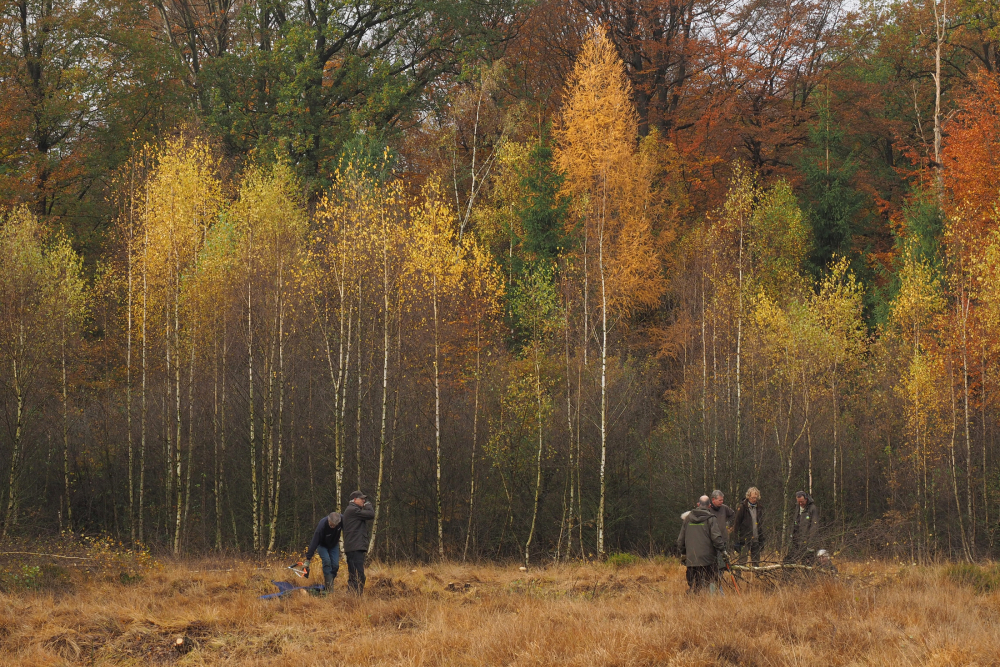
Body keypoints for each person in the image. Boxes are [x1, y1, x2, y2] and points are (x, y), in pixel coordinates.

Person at [677, 495, 728, 594]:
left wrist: (684, 553)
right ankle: (712, 598)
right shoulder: (711, 519)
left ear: (698, 504)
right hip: (708, 558)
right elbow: (716, 538)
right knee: (712, 580)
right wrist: (723, 550)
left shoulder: (687, 519)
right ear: (709, 505)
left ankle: (694, 599)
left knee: (694, 584)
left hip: (691, 558)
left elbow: (680, 540)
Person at [342, 490, 375, 595]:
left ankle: (351, 596)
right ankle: (356, 597)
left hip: (353, 546)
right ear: (355, 500)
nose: (364, 501)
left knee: (353, 574)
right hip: (355, 547)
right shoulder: (353, 510)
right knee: (359, 574)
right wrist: (368, 505)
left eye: (364, 499)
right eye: (362, 499)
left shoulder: (351, 510)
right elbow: (371, 514)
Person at [304, 511, 342, 591]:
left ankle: (330, 580)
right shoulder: (322, 525)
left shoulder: (341, 520)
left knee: (335, 565)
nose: (332, 527)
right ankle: (329, 588)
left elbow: (351, 523)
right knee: (327, 561)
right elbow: (314, 542)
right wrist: (308, 559)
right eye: (331, 524)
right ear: (328, 520)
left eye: (334, 525)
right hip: (322, 545)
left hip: (334, 545)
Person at [732, 487, 763, 565]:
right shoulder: (742, 507)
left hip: (756, 538)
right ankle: (739, 576)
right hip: (744, 539)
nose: (754, 499)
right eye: (752, 497)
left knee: (756, 561)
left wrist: (762, 540)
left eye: (756, 498)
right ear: (748, 496)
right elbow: (736, 524)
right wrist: (736, 540)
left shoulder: (759, 508)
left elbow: (761, 525)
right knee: (742, 560)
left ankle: (756, 576)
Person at [789, 491, 819, 563]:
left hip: (807, 542)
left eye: (802, 502)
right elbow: (794, 524)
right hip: (797, 542)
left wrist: (810, 544)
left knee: (807, 563)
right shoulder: (797, 508)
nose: (800, 504)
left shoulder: (812, 508)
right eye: (798, 502)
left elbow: (814, 527)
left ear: (806, 499)